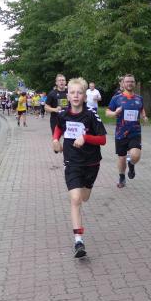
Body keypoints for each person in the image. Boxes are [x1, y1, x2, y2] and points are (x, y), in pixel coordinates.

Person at [51, 77, 107, 258]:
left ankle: (86, 188)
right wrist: (55, 140)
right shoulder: (63, 114)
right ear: (67, 95)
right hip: (72, 162)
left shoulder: (91, 115)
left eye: (79, 93)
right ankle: (78, 241)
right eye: (72, 92)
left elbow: (103, 139)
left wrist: (86, 138)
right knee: (75, 199)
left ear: (84, 96)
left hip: (91, 163)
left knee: (84, 197)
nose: (76, 96)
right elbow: (59, 128)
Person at [106, 73, 148, 188]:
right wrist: (114, 113)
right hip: (120, 133)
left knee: (135, 155)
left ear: (135, 83)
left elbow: (142, 109)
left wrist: (144, 117)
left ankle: (131, 163)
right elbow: (107, 112)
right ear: (123, 83)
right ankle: (122, 177)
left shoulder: (139, 98)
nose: (130, 83)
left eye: (132, 81)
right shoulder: (116, 98)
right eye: (127, 81)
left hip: (135, 132)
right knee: (121, 157)